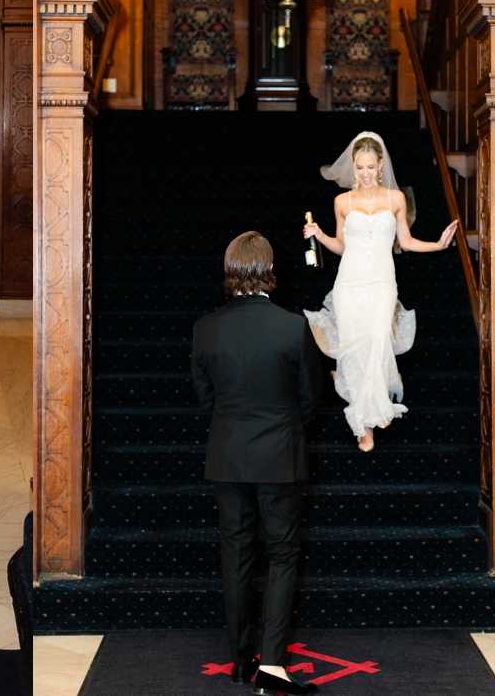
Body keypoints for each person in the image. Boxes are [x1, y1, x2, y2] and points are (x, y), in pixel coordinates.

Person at [192, 231, 324, 696]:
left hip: (227, 455)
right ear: (269, 268)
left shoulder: (206, 327)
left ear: (230, 270)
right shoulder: (292, 327)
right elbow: (311, 399)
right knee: (283, 553)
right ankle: (271, 664)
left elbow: (204, 397)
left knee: (236, 555)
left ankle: (240, 660)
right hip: (280, 457)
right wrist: (284, 426)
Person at [302, 132, 457, 452]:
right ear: (353, 168)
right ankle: (365, 426)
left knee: (376, 338)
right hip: (349, 283)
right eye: (359, 168)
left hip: (382, 283)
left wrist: (439, 245)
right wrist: (318, 234)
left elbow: (408, 241)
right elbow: (342, 247)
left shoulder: (395, 199)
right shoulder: (342, 202)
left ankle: (372, 404)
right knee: (353, 347)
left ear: (381, 165)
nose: (365, 174)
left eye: (370, 167)